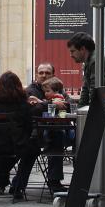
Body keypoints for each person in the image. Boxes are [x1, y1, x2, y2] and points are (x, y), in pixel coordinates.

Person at [0, 71, 38, 201]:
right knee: (32, 149)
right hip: (14, 146)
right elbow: (28, 127)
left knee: (5, 145)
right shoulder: (22, 104)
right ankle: (18, 186)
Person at [26, 63, 68, 193]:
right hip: (34, 132)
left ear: (53, 75)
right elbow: (33, 110)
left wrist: (62, 105)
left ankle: (82, 180)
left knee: (64, 136)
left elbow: (67, 105)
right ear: (36, 74)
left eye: (47, 73)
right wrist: (52, 104)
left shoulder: (58, 88)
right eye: (41, 72)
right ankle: (54, 182)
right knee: (56, 137)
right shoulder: (30, 91)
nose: (44, 75)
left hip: (55, 129)